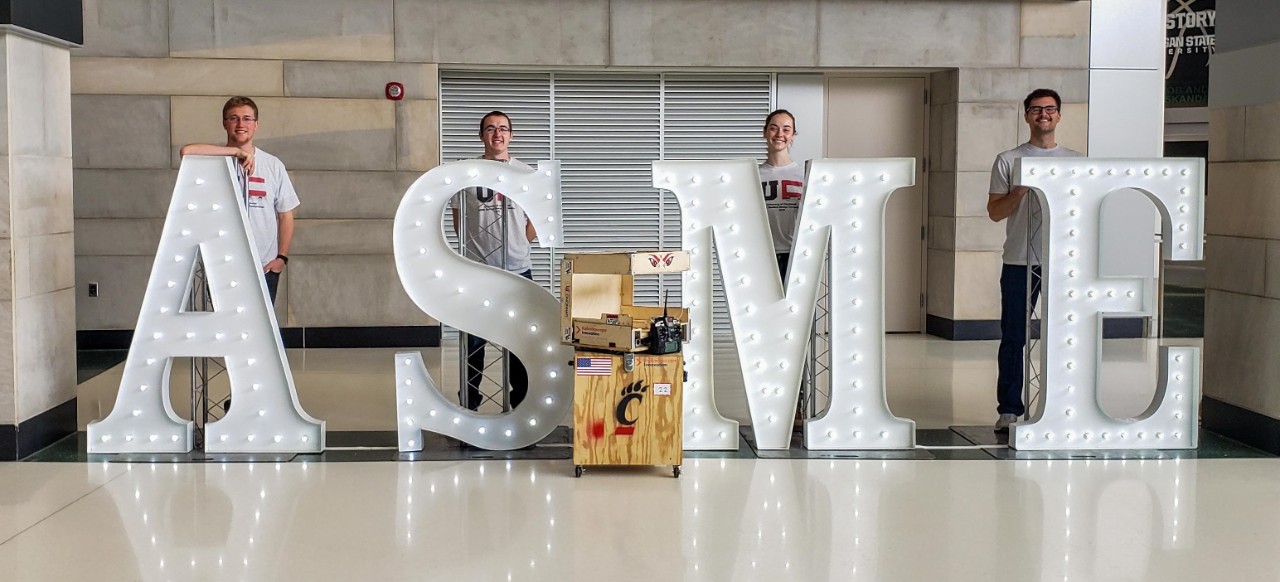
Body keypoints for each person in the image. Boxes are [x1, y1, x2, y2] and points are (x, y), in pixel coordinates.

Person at [987, 89, 1081, 432]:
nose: (1044, 114)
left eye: (1050, 109)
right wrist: (1021, 189)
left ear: (1059, 115)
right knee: (1014, 335)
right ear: (1026, 116)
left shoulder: (1076, 161)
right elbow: (995, 212)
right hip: (1019, 260)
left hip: (1064, 262)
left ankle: (1063, 405)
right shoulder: (1008, 160)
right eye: (1037, 109)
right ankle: (1009, 409)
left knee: (1066, 334)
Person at [450, 110, 537, 412]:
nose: (497, 134)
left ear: (511, 135)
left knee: (519, 344)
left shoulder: (525, 174)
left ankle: (520, 407)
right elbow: (459, 217)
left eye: (503, 129)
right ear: (481, 136)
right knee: (473, 343)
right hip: (478, 272)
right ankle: (469, 407)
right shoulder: (467, 176)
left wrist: (521, 241)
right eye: (490, 129)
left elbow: (536, 218)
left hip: (517, 271)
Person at [179, 96, 297, 305]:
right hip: (222, 265)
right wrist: (235, 152)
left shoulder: (273, 165)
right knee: (225, 332)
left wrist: (281, 258)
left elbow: (285, 214)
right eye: (234, 118)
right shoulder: (215, 160)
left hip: (264, 266)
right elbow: (186, 151)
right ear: (225, 123)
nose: (241, 124)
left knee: (260, 334)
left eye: (247, 119)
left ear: (256, 124)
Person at [758, 109, 804, 282]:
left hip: (797, 255)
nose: (779, 134)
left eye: (786, 129)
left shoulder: (804, 175)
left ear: (792, 136)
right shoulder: (753, 176)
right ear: (765, 132)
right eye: (774, 128)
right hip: (762, 255)